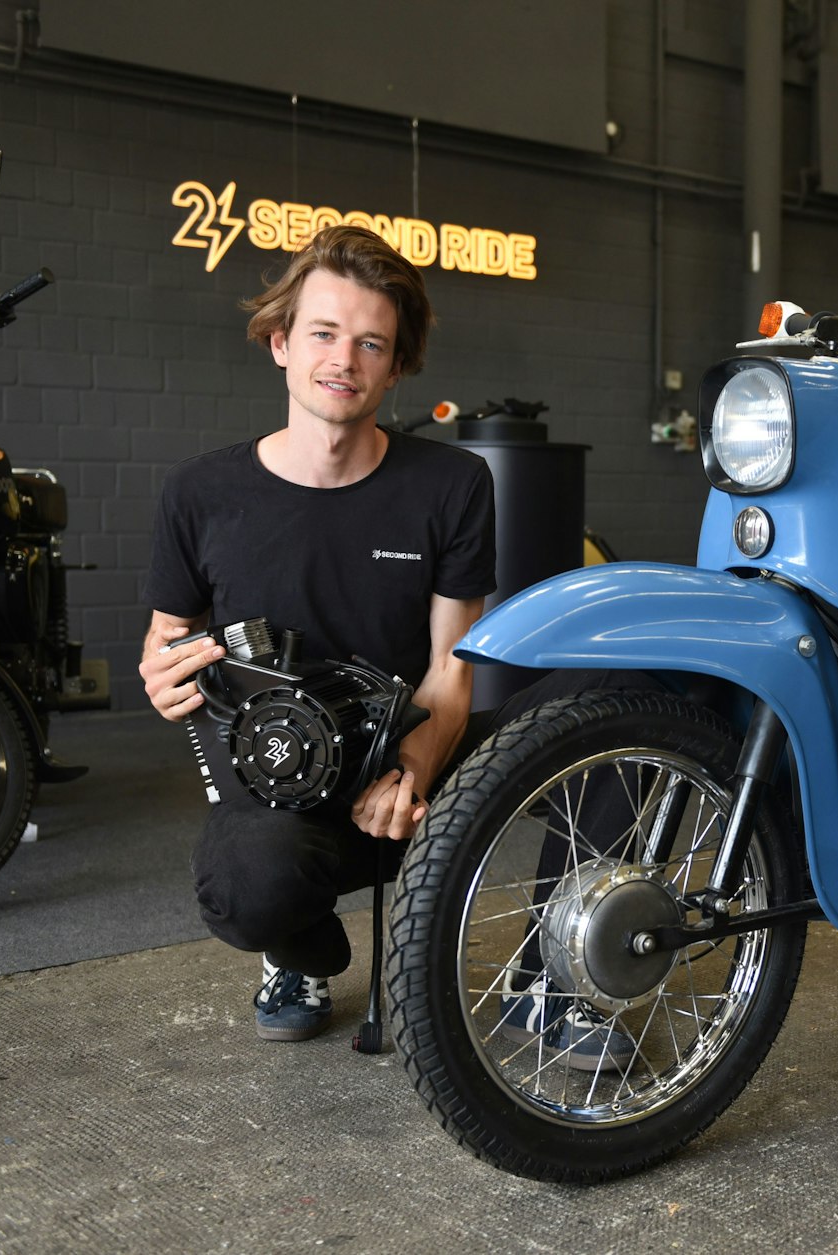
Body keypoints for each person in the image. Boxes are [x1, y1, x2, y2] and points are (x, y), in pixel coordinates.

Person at [138, 225, 495, 1043]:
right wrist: (163, 677)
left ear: (396, 366)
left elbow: (452, 666)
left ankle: (559, 968)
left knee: (608, 703)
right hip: (280, 780)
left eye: (371, 343)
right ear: (281, 342)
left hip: (408, 761)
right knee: (247, 887)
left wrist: (409, 769)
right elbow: (167, 638)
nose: (344, 360)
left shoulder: (452, 484)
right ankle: (300, 944)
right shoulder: (200, 492)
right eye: (324, 334)